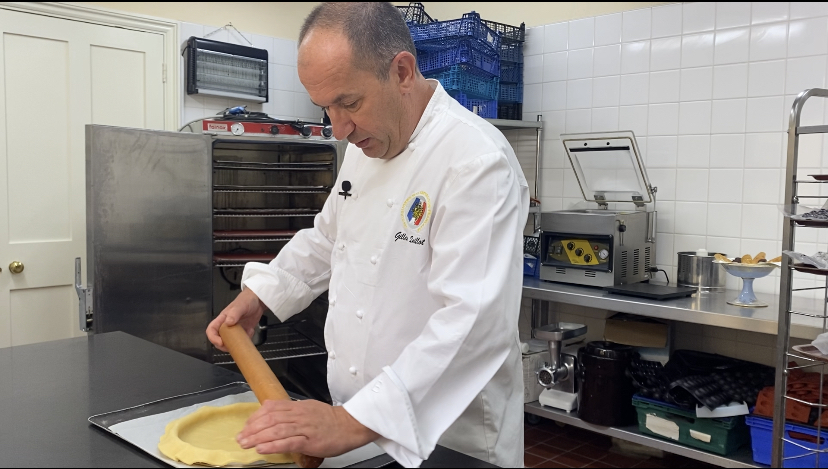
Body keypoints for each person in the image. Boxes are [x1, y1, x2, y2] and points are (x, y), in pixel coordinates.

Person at [206, 3, 529, 467]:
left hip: (450, 442)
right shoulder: (367, 145)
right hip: (360, 432)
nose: (338, 129)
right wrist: (262, 293)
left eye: (349, 103)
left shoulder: (476, 163)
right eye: (326, 108)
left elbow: (472, 324)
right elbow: (327, 238)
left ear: (402, 71)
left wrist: (351, 423)